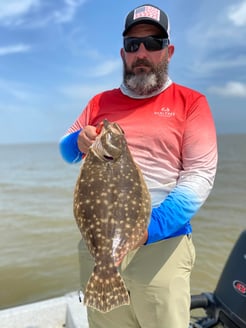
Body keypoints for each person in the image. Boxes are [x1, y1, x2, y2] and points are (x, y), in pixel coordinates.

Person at [59, 4, 218, 328]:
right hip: (99, 245)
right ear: (123, 53)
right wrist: (79, 141)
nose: (142, 52)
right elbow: (67, 151)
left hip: (161, 248)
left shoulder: (192, 103)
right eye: (133, 44)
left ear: (168, 51)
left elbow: (199, 176)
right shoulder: (99, 103)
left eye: (153, 43)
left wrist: (146, 230)